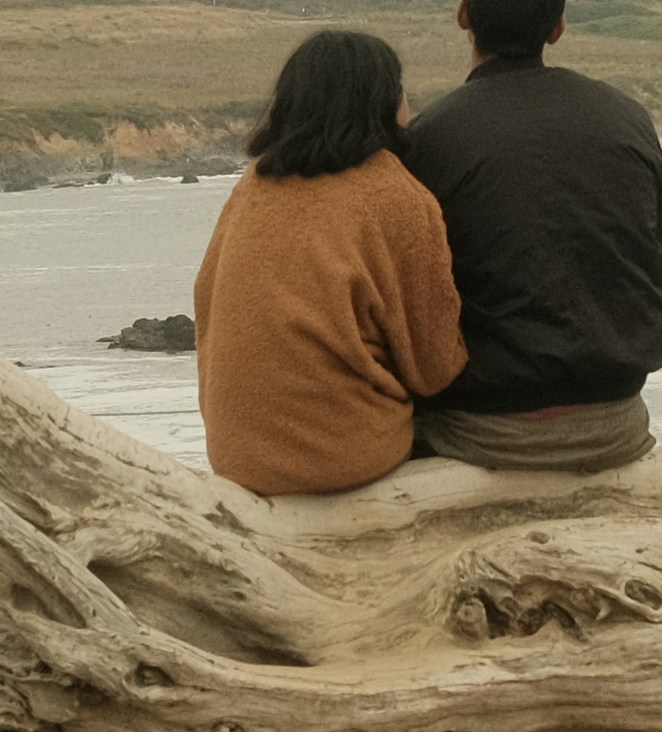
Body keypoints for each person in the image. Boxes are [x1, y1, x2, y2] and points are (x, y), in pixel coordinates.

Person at [390, 0, 662, 474]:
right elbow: (644, 249)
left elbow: (407, 301)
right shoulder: (628, 118)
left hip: (478, 430)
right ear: (559, 27)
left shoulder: (429, 139)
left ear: (464, 15)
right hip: (615, 423)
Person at [186, 26, 471, 497]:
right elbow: (435, 367)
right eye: (403, 93)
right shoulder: (395, 195)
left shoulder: (254, 184)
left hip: (236, 456)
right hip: (340, 458)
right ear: (383, 103)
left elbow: (206, 302)